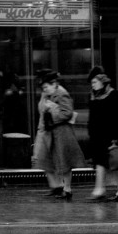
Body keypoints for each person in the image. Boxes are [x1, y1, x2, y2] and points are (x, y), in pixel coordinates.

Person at [31, 69, 86, 200]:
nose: (44, 90)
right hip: (51, 132)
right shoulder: (47, 94)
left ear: (53, 84)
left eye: (46, 87)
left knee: (65, 161)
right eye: (43, 87)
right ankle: (57, 187)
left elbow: (67, 112)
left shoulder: (61, 93)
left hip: (62, 132)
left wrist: (52, 113)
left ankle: (67, 189)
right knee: (45, 159)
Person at [85, 66, 118, 202]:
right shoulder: (93, 96)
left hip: (110, 135)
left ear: (102, 81)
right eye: (91, 83)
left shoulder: (114, 95)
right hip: (97, 136)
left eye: (94, 82)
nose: (92, 85)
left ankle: (101, 189)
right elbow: (91, 118)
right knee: (106, 162)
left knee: (113, 162)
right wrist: (90, 133)